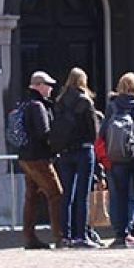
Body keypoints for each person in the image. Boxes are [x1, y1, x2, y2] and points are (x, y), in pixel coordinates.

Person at [101, 72, 134, 248]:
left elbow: (102, 133)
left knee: (120, 197)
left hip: (119, 158)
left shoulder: (112, 107)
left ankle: (120, 235)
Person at [50, 67, 100, 249]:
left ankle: (65, 235)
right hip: (83, 150)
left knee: (67, 194)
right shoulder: (85, 101)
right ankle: (81, 236)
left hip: (65, 152)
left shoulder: (60, 101)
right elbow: (93, 132)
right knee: (82, 195)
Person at [17, 71, 64, 249]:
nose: (51, 88)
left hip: (25, 157)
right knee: (56, 194)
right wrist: (57, 143)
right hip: (38, 157)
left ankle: (29, 238)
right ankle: (60, 236)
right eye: (48, 85)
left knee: (32, 197)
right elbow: (44, 133)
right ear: (38, 86)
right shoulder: (38, 106)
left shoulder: (24, 103)